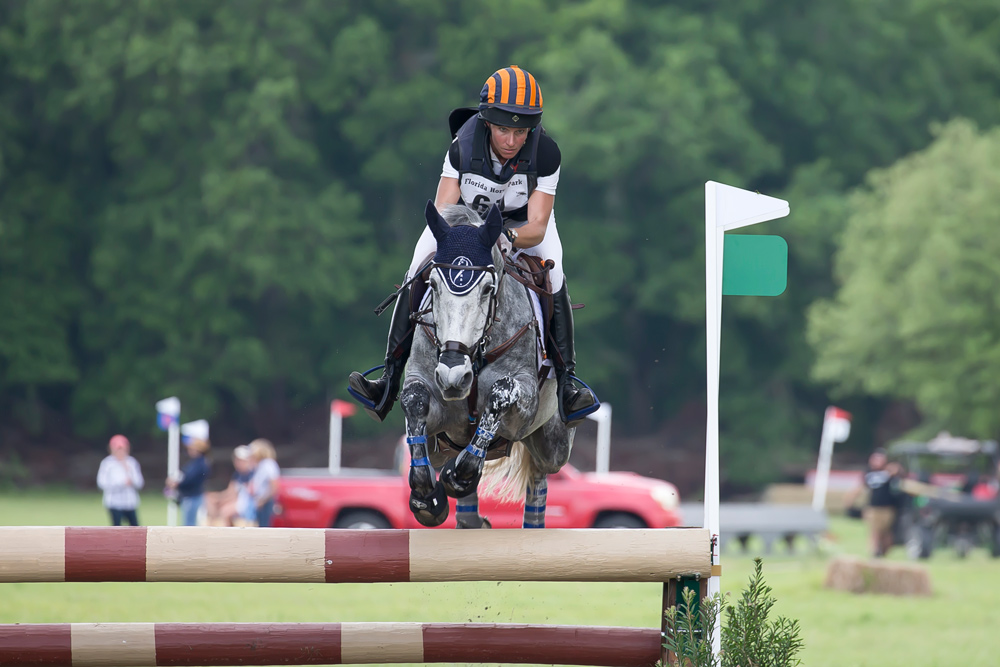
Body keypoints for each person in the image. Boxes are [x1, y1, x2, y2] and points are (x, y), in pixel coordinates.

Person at [348, 65, 598, 427]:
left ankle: (567, 383)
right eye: (503, 130)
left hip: (522, 227)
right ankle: (388, 378)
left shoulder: (546, 154)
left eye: (520, 131)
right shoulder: (462, 146)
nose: (512, 141)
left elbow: (539, 225)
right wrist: (471, 241)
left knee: (555, 273)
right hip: (464, 226)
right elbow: (446, 211)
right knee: (417, 265)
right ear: (487, 123)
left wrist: (505, 238)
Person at [847, 448, 902, 558]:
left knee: (887, 533)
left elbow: (898, 472)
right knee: (874, 531)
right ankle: (874, 552)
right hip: (873, 508)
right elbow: (860, 487)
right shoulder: (868, 474)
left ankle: (883, 553)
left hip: (888, 508)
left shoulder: (889, 472)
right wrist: (850, 500)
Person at [96, 434, 145, 526]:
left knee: (135, 528)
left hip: (130, 502)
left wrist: (131, 478)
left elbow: (140, 482)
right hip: (114, 503)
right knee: (117, 528)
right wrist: (121, 483)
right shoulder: (107, 464)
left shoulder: (132, 462)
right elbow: (101, 483)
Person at [204, 445, 257, 527]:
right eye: (237, 460)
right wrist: (218, 497)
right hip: (240, 501)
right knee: (212, 501)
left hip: (249, 503)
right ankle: (211, 527)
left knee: (225, 511)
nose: (237, 463)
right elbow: (231, 490)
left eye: (241, 460)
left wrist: (219, 498)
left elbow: (243, 495)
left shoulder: (252, 474)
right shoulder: (237, 475)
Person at [165, 437, 212, 526]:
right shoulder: (196, 463)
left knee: (189, 524)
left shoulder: (200, 464)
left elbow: (189, 479)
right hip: (191, 496)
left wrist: (177, 484)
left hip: (193, 496)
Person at [248, 439, 280, 527]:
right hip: (259, 501)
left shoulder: (268, 464)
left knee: (265, 525)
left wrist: (263, 500)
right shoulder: (260, 466)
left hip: (266, 501)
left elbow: (274, 486)